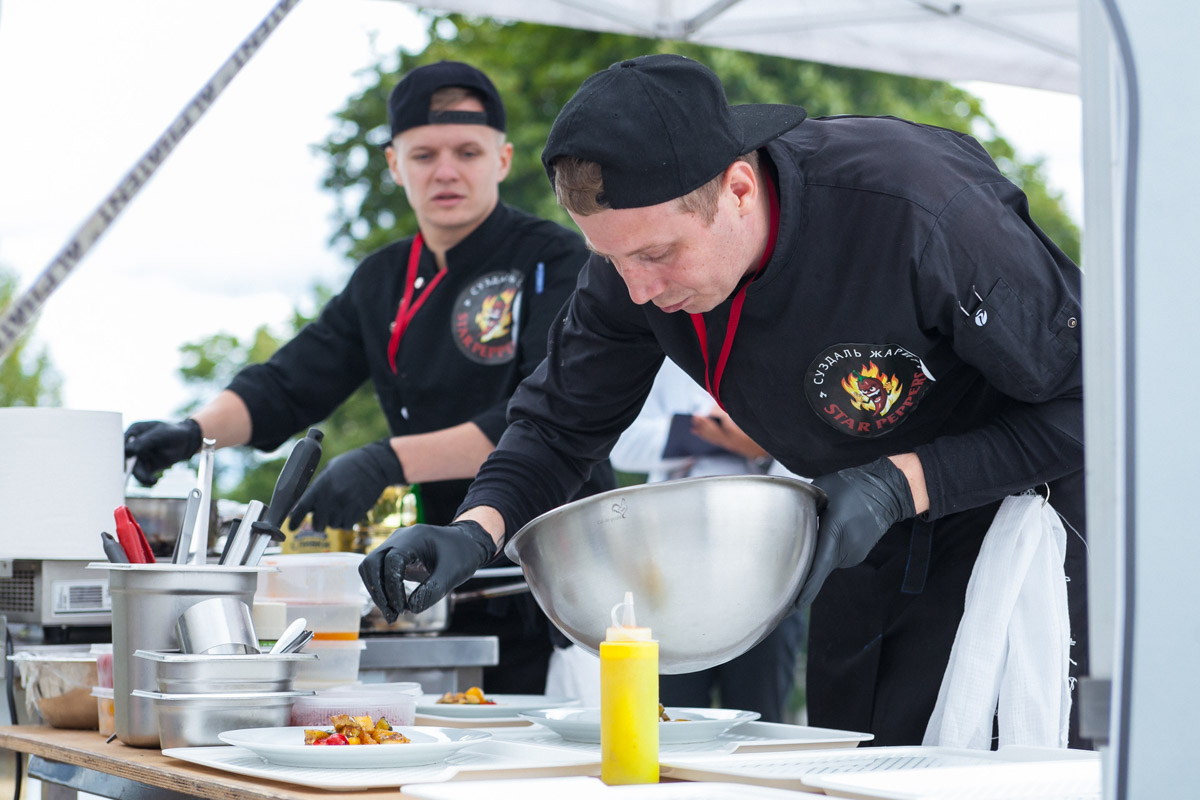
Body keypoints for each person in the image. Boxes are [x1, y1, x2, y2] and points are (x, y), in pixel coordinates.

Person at [357, 54, 1087, 747]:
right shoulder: (630, 265)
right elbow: (559, 423)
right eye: (611, 259)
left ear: (738, 189)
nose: (639, 290)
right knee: (850, 759)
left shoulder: (919, 210)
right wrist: (474, 531)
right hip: (861, 528)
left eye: (656, 255)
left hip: (1025, 516)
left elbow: (1100, 403)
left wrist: (903, 483)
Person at [123, 60, 615, 694]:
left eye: (467, 152)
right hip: (441, 575)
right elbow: (288, 382)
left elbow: (546, 417)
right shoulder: (382, 279)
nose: (445, 171)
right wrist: (193, 432)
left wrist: (386, 460)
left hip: (555, 576)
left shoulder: (556, 258)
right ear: (394, 165)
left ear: (502, 159)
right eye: (424, 154)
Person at [608, 358, 808, 723]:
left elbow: (811, 457)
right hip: (672, 567)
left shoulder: (784, 349)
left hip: (761, 564)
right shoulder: (660, 356)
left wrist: (758, 447)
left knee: (759, 716)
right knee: (671, 715)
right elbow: (622, 444)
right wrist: (701, 432)